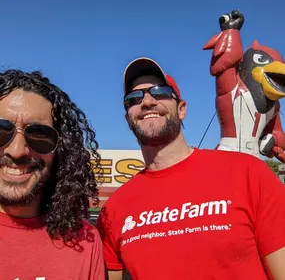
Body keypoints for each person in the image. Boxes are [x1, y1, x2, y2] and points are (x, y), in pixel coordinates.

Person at [97, 57, 285, 280]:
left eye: (159, 92)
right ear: (128, 119)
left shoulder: (248, 174)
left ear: (182, 109)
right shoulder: (114, 210)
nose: (147, 102)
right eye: (134, 98)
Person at [0, 70, 104, 279]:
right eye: (1, 130)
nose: (17, 151)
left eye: (39, 135)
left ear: (61, 149)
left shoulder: (84, 239)